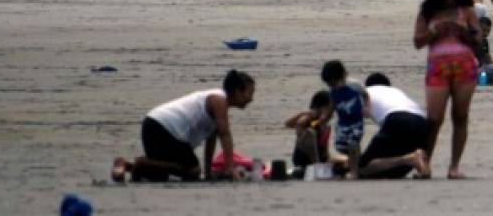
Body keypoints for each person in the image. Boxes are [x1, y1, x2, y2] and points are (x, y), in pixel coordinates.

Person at [111, 70, 256, 182]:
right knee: (192, 171)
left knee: (160, 175)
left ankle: (126, 165)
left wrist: (208, 173)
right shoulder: (219, 99)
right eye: (250, 93)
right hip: (163, 128)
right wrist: (230, 169)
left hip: (152, 125)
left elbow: (210, 142)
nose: (251, 99)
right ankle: (141, 162)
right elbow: (225, 135)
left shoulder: (219, 107)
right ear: (237, 91)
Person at [413, 0, 481, 179]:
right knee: (433, 119)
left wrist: (464, 31)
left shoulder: (467, 10)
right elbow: (417, 41)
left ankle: (454, 166)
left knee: (460, 116)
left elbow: (478, 41)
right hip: (438, 67)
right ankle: (425, 163)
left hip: (465, 64)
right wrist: (433, 32)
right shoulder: (428, 11)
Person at [359, 73, 430, 179]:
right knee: (392, 172)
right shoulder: (396, 92)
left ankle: (410, 158)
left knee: (361, 168)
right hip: (422, 123)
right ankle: (422, 165)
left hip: (397, 119)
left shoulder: (366, 92)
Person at [321, 60, 369, 179]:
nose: (333, 86)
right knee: (340, 147)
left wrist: (367, 107)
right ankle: (355, 160)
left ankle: (354, 172)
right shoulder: (332, 92)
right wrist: (323, 119)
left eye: (335, 83)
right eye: (330, 85)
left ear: (344, 75)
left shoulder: (354, 85)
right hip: (342, 124)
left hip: (356, 122)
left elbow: (365, 95)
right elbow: (331, 107)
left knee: (353, 144)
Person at [285, 90, 334, 169]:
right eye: (330, 109)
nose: (332, 113)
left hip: (321, 158)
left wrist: (329, 161)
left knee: (344, 160)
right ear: (322, 108)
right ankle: (316, 165)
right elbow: (290, 124)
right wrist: (308, 115)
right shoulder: (309, 118)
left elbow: (326, 151)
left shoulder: (326, 127)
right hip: (305, 159)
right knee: (310, 132)